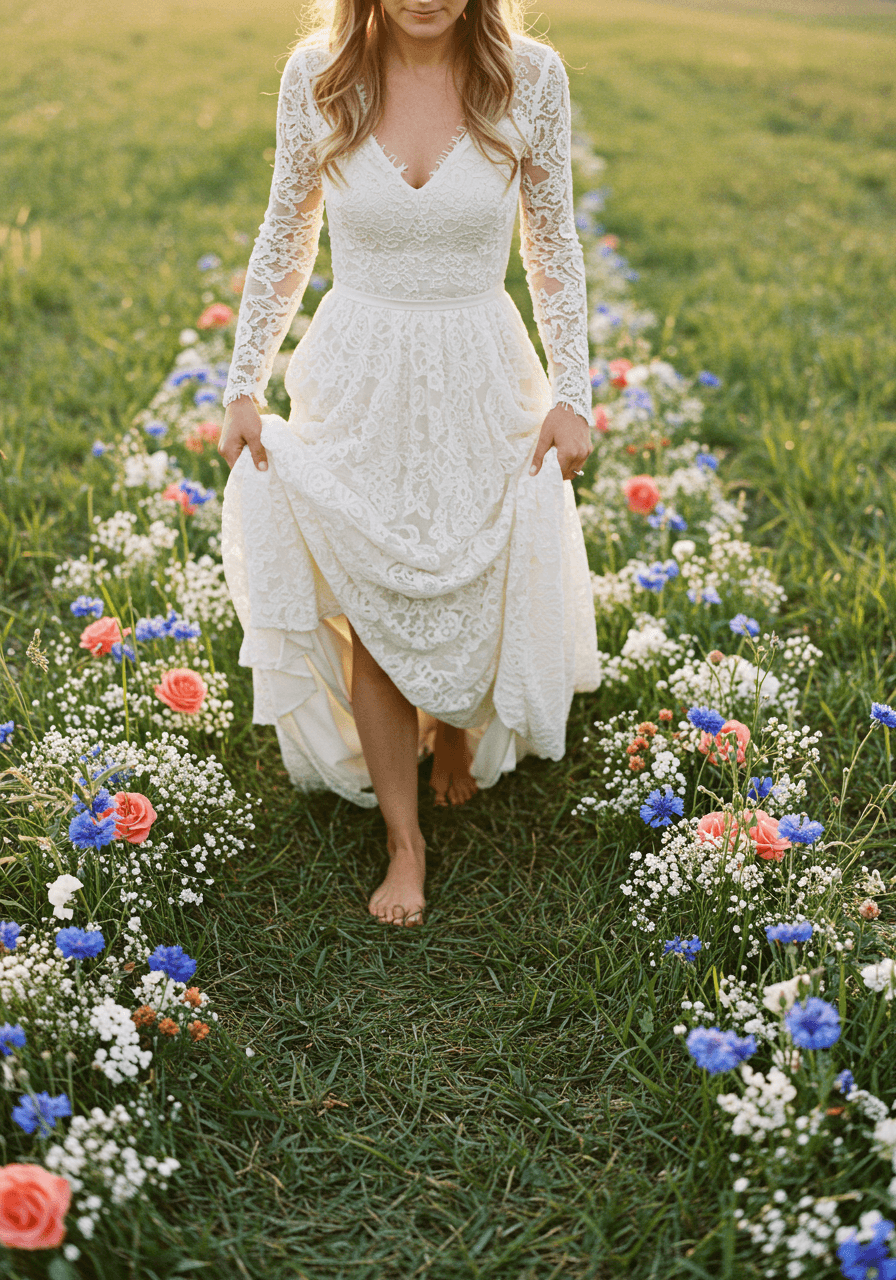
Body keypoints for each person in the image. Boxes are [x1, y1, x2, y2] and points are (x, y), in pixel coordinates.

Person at [218, 0, 599, 927]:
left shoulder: (530, 77)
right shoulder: (318, 73)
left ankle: (456, 737)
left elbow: (551, 243)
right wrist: (243, 381)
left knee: (471, 572)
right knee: (379, 587)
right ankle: (404, 839)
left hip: (482, 366)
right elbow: (284, 233)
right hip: (361, 372)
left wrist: (572, 392)